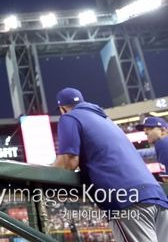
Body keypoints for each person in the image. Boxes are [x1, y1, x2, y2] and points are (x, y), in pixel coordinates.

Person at [53, 87, 168, 241]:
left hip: (127, 200)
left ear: (62, 108)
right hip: (158, 197)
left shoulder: (70, 117)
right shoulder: (107, 120)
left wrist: (44, 173)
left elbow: (68, 162)